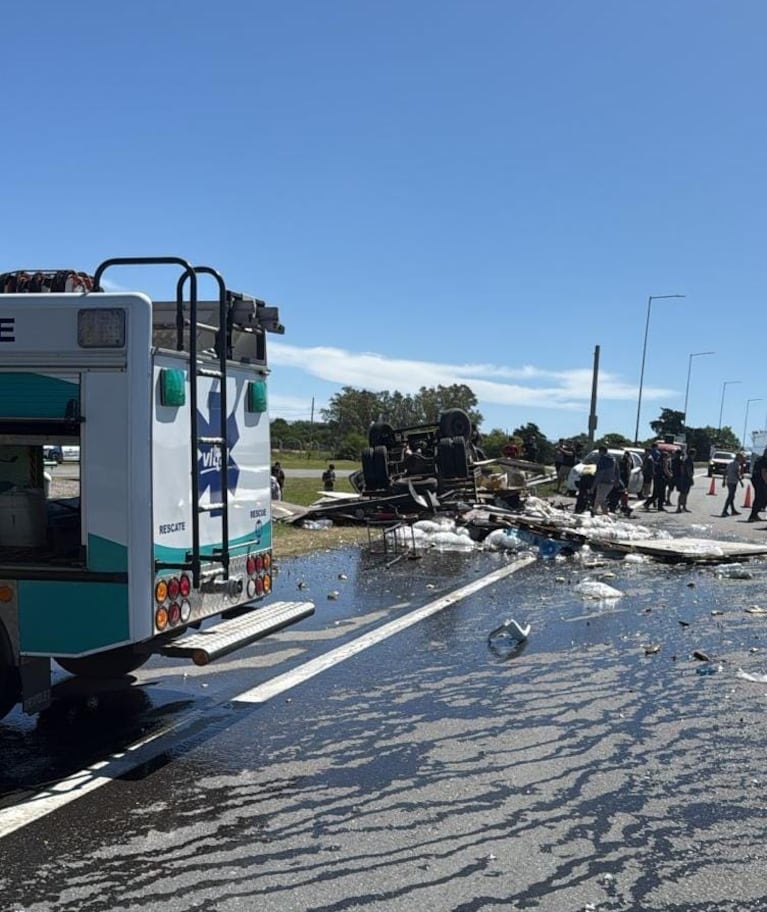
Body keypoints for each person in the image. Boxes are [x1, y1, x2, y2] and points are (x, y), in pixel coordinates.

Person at [591, 445, 620, 516]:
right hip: (611, 481)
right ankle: (594, 511)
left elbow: (600, 474)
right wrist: (617, 480)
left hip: (603, 482)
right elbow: (617, 470)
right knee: (598, 498)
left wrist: (593, 486)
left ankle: (604, 513)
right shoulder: (613, 459)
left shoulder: (603, 460)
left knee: (601, 499)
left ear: (601, 451)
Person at [721, 452, 745, 517]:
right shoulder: (737, 465)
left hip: (729, 481)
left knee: (732, 496)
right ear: (739, 458)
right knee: (730, 496)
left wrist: (724, 480)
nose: (742, 459)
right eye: (741, 458)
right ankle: (724, 511)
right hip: (733, 482)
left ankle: (733, 510)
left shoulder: (730, 463)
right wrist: (741, 481)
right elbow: (737, 473)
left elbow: (725, 471)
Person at [747, 447, 767, 522]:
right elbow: (763, 472)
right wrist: (766, 482)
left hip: (755, 479)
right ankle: (752, 516)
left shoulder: (759, 459)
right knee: (761, 498)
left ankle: (755, 514)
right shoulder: (765, 460)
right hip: (760, 480)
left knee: (759, 497)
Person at [675, 447, 696, 513]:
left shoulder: (687, 460)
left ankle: (683, 506)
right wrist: (691, 478)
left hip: (684, 478)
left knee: (685, 493)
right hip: (686, 479)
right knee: (683, 493)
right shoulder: (688, 461)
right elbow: (688, 470)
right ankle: (679, 507)